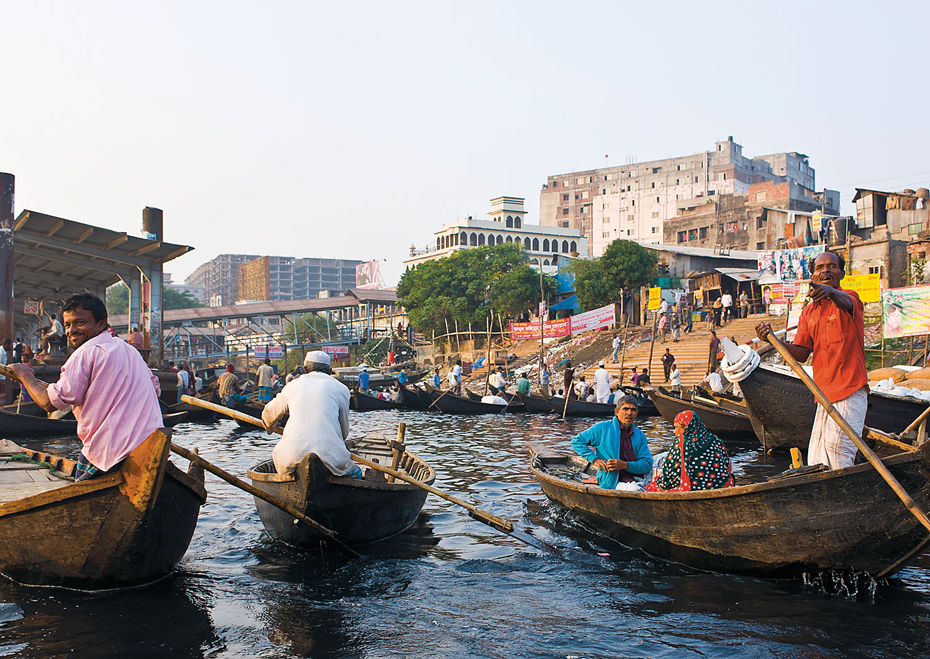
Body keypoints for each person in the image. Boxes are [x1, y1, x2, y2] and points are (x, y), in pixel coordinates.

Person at [10, 293, 162, 481]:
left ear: (100, 324)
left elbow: (48, 403)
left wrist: (24, 376)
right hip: (151, 448)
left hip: (112, 454)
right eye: (67, 325)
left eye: (80, 323)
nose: (71, 330)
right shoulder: (129, 350)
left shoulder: (86, 353)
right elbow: (155, 389)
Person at [756, 251, 868, 470]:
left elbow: (845, 302)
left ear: (841, 273)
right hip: (823, 395)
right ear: (813, 276)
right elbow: (800, 353)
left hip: (850, 389)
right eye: (820, 268)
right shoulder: (808, 312)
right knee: (817, 458)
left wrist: (829, 292)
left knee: (840, 452)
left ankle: (842, 497)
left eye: (831, 266)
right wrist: (773, 339)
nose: (826, 270)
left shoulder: (850, 298)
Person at [261, 350, 361, 479]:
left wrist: (271, 426)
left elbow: (268, 414)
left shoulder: (292, 386)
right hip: (330, 456)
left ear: (305, 369)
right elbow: (344, 432)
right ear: (330, 370)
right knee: (357, 473)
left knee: (282, 463)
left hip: (290, 455)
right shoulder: (342, 389)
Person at [570, 395, 653, 490]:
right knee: (635, 490)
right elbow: (576, 441)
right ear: (617, 412)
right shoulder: (602, 428)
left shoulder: (640, 435)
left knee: (664, 457)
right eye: (625, 409)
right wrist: (594, 459)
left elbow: (646, 464)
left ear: (637, 413)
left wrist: (625, 465)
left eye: (633, 410)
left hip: (638, 478)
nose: (629, 413)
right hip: (613, 482)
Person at [646, 411, 734, 492]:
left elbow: (670, 474)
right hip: (720, 485)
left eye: (676, 427)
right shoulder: (715, 439)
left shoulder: (681, 442)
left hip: (692, 488)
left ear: (686, 427)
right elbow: (727, 465)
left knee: (653, 485)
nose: (674, 431)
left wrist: (660, 481)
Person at [0, 338, 10, 404]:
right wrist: (2, 378)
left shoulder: (3, 352)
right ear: (6, 345)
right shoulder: (0, 352)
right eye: (9, 345)